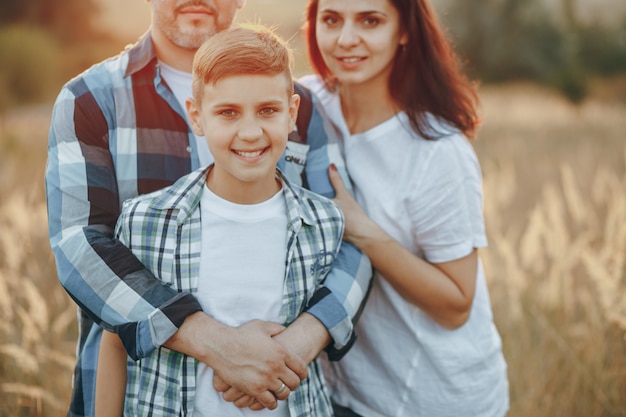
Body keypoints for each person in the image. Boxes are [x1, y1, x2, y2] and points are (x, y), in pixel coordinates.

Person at [45, 1, 371, 416]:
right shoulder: (90, 100)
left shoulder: (300, 106)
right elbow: (80, 249)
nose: (250, 131)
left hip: (286, 388)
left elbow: (349, 239)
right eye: (229, 113)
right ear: (198, 116)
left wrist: (302, 339)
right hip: (144, 392)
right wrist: (215, 344)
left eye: (268, 112)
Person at [299, 0, 510, 416]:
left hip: (438, 398)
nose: (345, 39)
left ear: (405, 30)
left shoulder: (436, 150)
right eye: (331, 19)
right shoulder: (308, 107)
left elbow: (456, 304)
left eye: (370, 20)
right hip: (345, 393)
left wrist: (361, 229)